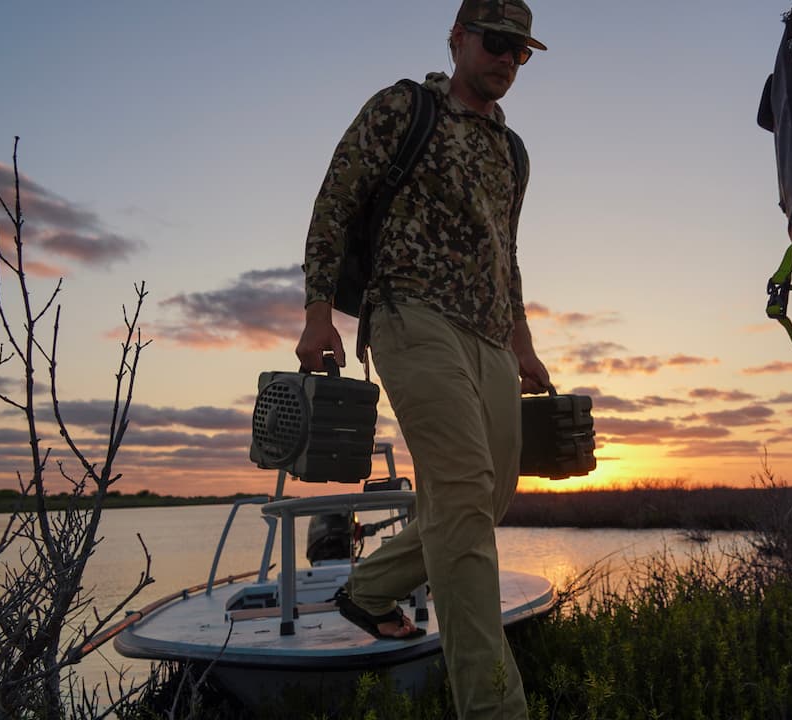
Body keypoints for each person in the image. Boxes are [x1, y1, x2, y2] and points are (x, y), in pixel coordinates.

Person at [294, 1, 550, 717]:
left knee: (490, 496)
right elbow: (334, 204)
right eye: (496, 42)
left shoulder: (512, 151)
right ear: (460, 37)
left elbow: (508, 253)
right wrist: (319, 311)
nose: (506, 59)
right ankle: (495, 707)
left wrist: (523, 343)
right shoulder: (403, 108)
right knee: (464, 494)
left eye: (520, 52)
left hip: (491, 336)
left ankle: (369, 587)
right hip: (410, 316)